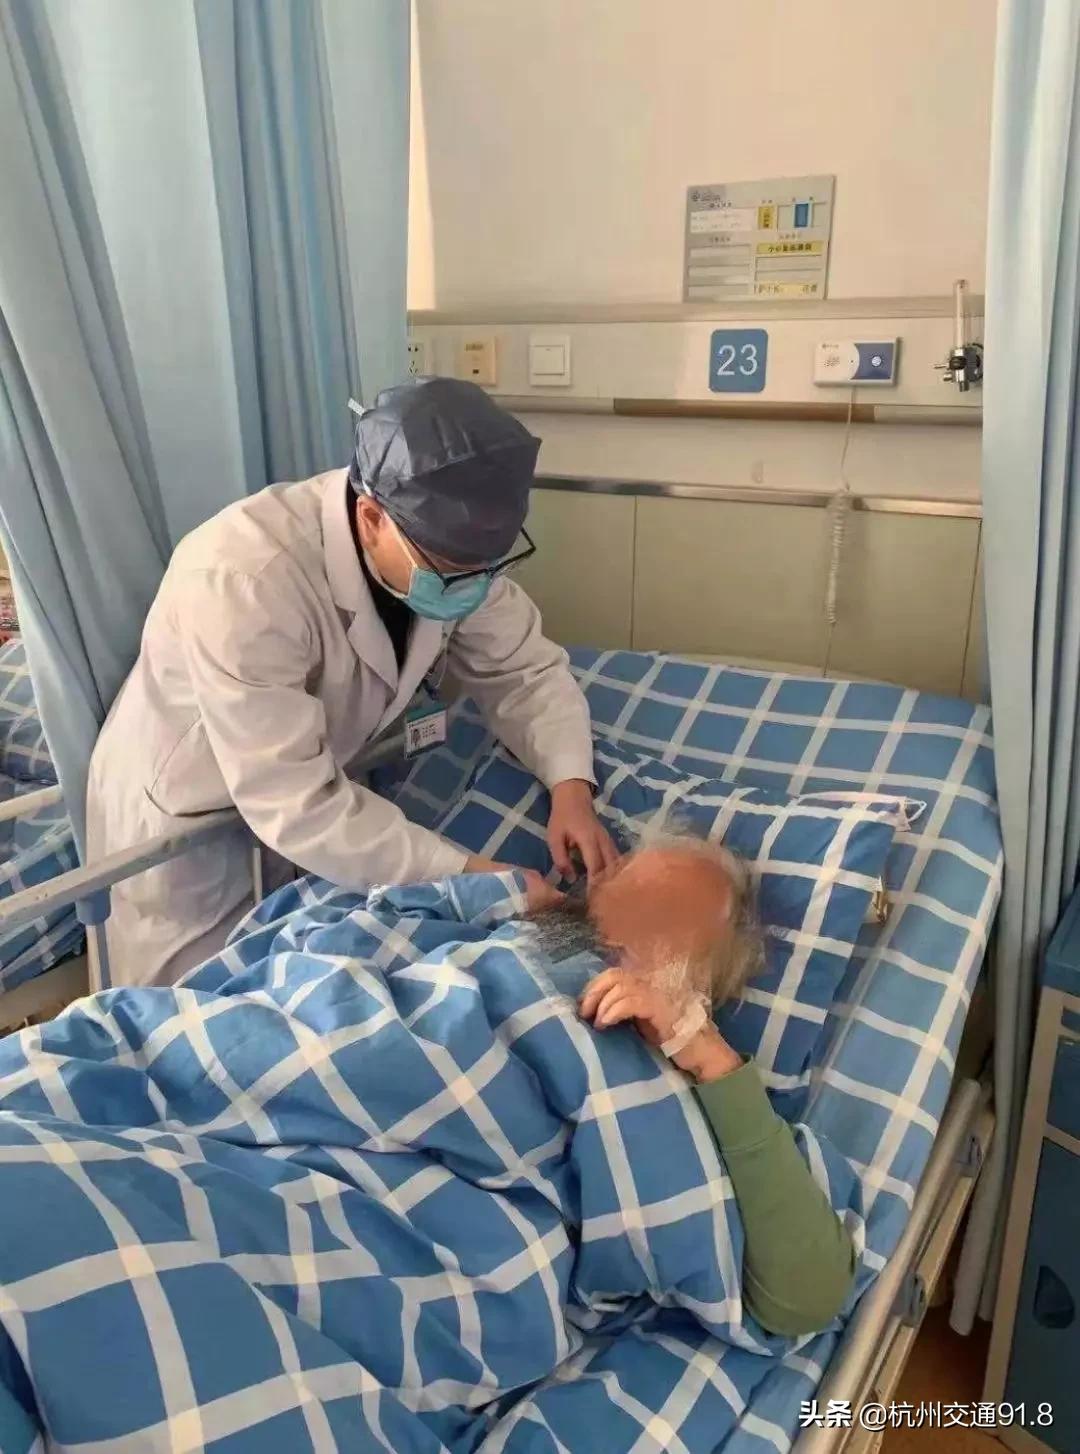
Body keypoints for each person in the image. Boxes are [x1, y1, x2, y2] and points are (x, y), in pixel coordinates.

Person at [86, 378, 616, 988]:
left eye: (486, 570)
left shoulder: (455, 553)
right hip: (188, 822)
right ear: (370, 518)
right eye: (451, 572)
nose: (473, 586)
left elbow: (523, 670)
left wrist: (570, 787)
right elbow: (294, 800)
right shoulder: (244, 576)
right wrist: (473, 875)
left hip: (308, 813)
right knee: (186, 1010)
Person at [530, 830, 857, 1337]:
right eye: (623, 884)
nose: (618, 930)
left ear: (701, 989)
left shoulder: (674, 1093)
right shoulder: (511, 931)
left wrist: (709, 1057)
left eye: (661, 917)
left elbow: (807, 1296)